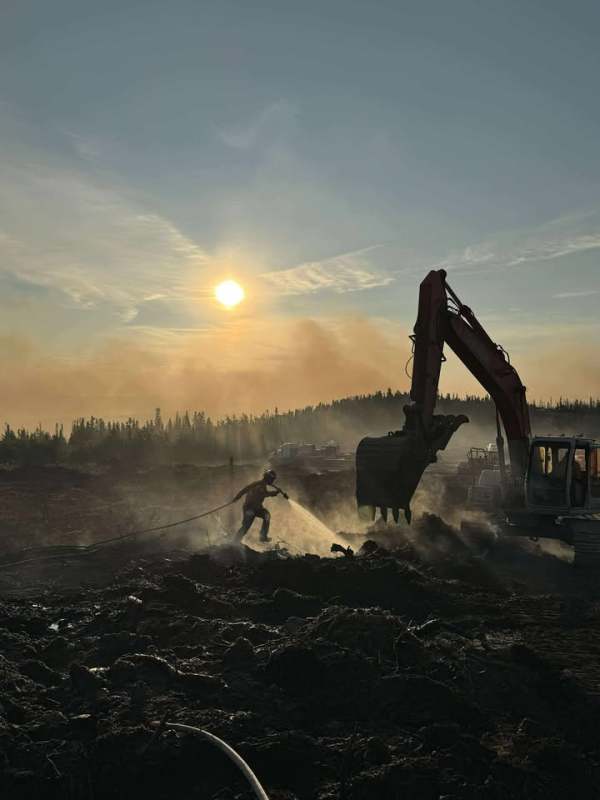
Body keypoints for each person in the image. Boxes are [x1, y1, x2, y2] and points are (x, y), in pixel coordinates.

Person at [232, 469, 288, 544]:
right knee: (246, 526)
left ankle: (263, 536)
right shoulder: (259, 485)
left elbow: (245, 490)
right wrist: (275, 493)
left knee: (266, 516)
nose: (272, 482)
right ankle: (235, 542)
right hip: (250, 508)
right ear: (268, 479)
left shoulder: (261, 484)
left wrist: (237, 497)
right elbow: (263, 494)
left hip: (257, 508)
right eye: (272, 480)